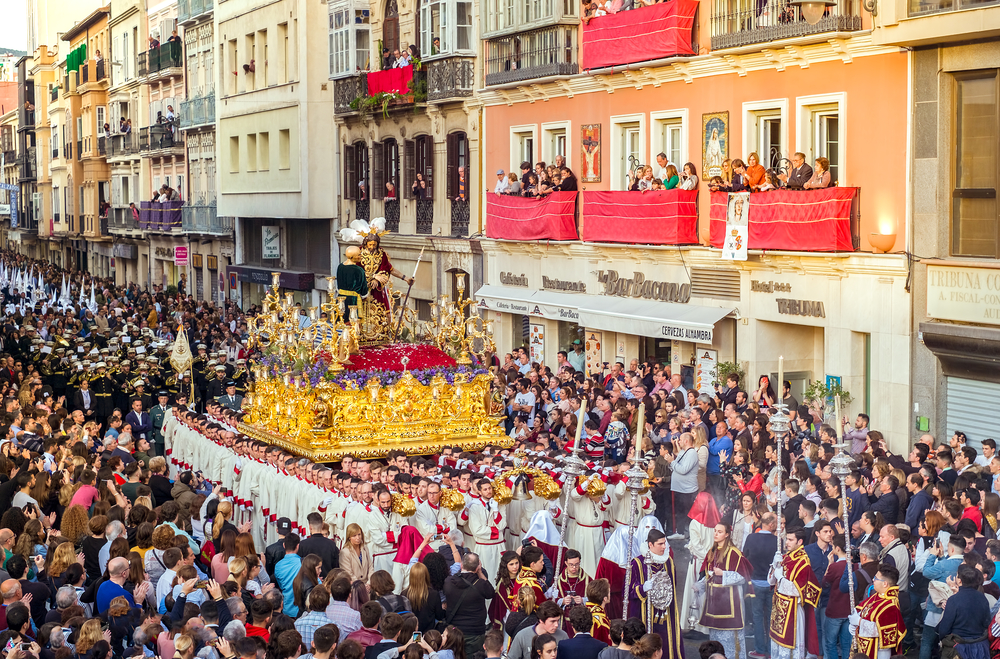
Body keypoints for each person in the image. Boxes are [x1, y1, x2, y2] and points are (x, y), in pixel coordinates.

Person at [626, 529, 684, 659]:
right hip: (645, 614)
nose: (664, 547)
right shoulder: (637, 563)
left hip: (666, 614)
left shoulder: (668, 561)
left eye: (665, 543)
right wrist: (643, 588)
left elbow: (673, 586)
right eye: (660, 544)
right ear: (650, 545)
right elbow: (628, 591)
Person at [696, 524, 751, 659]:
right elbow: (709, 577)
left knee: (731, 644)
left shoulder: (734, 553)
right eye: (715, 531)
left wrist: (724, 574)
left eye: (719, 532)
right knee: (715, 641)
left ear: (727, 534)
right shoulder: (711, 552)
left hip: (731, 607)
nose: (715, 534)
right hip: (714, 606)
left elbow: (743, 577)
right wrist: (700, 585)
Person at [769, 529, 820, 659]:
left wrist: (780, 578)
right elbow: (770, 581)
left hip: (793, 611)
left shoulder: (803, 562)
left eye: (791, 540)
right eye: (787, 539)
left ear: (800, 541)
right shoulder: (786, 557)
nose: (787, 543)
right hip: (779, 608)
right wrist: (774, 565)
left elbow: (797, 591)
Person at [443, 553, 495, 658]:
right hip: (475, 631)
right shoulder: (480, 584)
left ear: (461, 565)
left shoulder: (449, 582)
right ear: (477, 567)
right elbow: (490, 593)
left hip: (455, 631)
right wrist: (480, 572)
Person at [849, 563, 905, 659]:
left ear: (885, 583)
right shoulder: (877, 596)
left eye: (876, 578)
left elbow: (881, 632)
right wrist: (854, 626)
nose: (873, 580)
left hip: (878, 653)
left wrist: (859, 621)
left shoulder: (891, 606)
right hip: (863, 646)